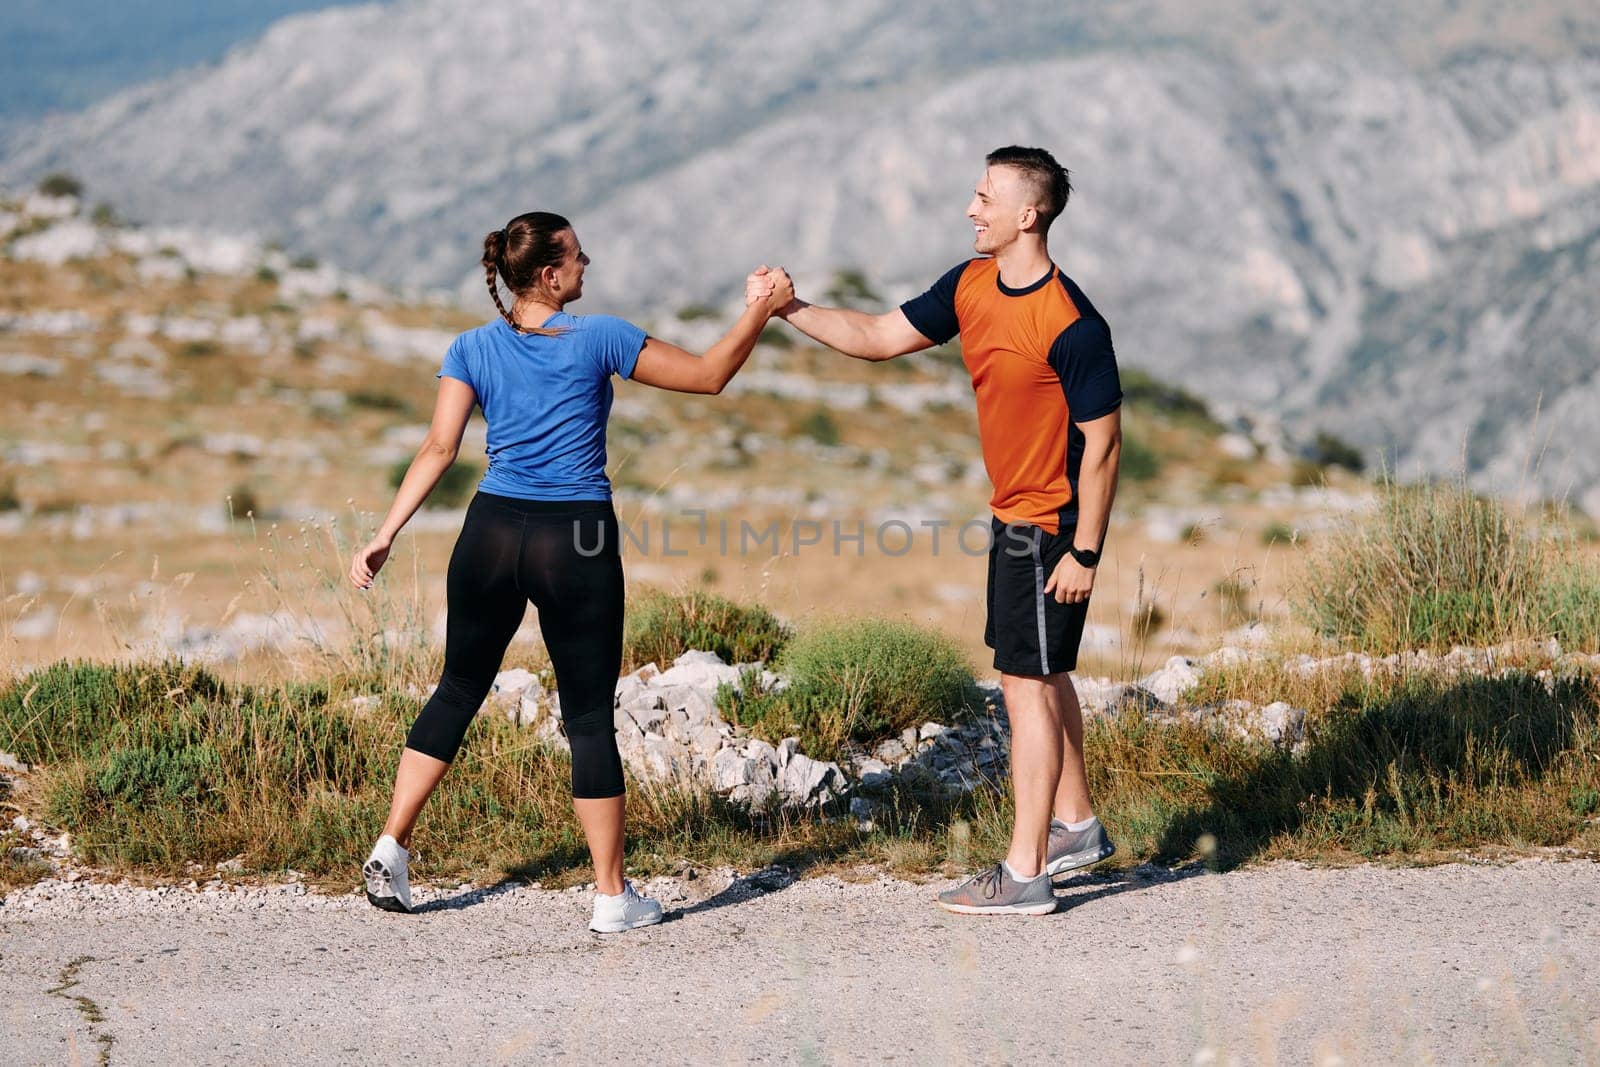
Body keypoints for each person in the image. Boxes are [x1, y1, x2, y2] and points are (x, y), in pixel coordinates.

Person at [351, 211, 793, 931]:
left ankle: (391, 846)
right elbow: (711, 376)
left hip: (490, 531)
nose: (589, 263)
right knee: (587, 714)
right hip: (576, 536)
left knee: (458, 686)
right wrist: (762, 310)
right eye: (579, 256)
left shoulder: (470, 346)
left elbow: (437, 448)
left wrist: (383, 534)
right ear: (552, 276)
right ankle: (612, 897)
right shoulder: (604, 336)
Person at [748, 146, 1122, 916]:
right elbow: (880, 336)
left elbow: (1105, 447)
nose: (970, 208)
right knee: (1044, 673)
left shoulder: (1075, 324)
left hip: (1049, 525)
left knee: (1023, 684)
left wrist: (1085, 549)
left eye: (985, 196)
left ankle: (1026, 874)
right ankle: (1076, 825)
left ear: (1029, 214)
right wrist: (790, 309)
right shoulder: (971, 283)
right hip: (1011, 513)